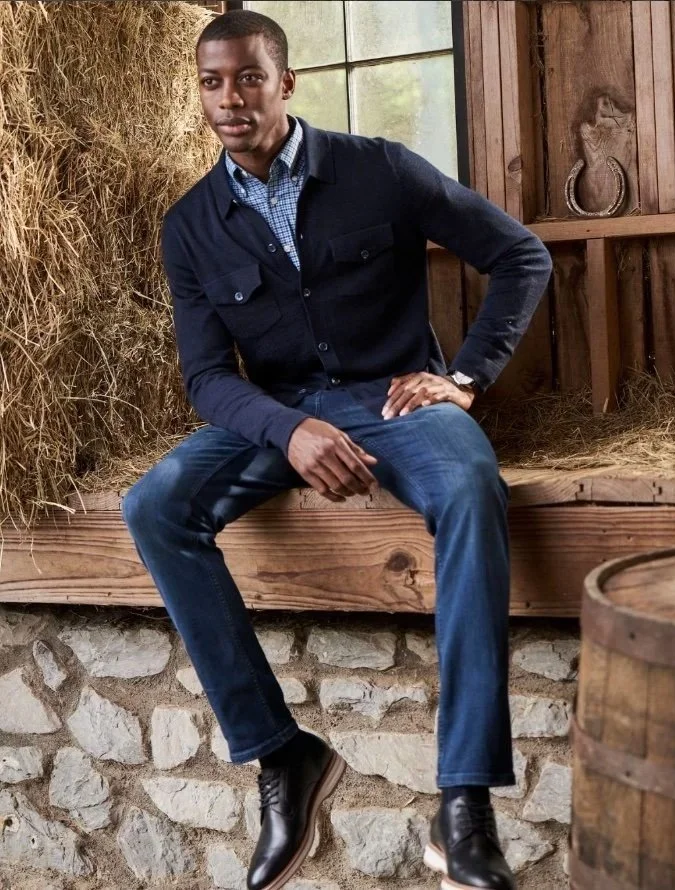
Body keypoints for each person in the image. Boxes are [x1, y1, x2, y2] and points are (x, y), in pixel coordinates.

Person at [122, 9, 552, 890]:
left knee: (472, 488)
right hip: (276, 415)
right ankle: (282, 754)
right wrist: (289, 429)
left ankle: (463, 804)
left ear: (286, 83)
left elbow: (521, 256)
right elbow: (206, 378)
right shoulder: (190, 225)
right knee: (155, 505)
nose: (231, 99)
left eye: (249, 78)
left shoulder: (378, 168)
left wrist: (464, 379)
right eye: (212, 83)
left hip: (397, 402)